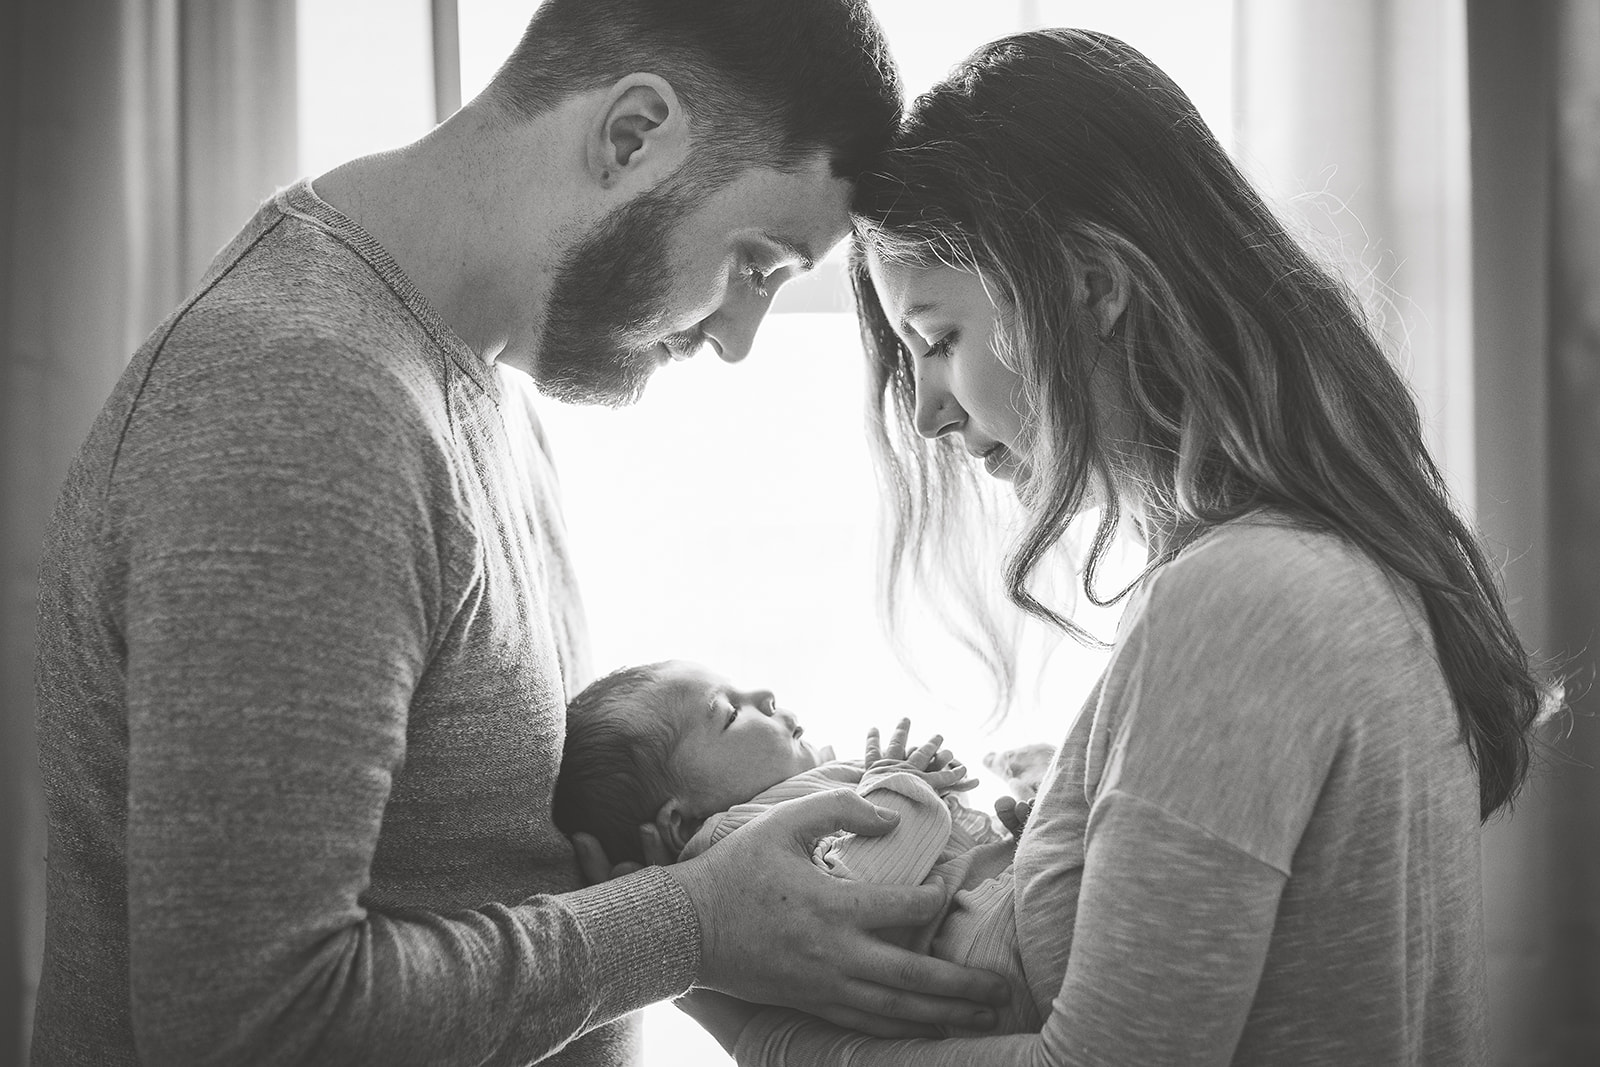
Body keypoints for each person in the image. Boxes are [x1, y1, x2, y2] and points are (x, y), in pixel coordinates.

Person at [29, 3, 1015, 1065]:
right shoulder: (300, 403)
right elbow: (252, 1022)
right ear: (633, 133)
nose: (738, 338)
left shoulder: (460, 380)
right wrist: (693, 922)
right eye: (757, 264)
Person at [680, 28, 1554, 1066]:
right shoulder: (1316, 571)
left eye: (937, 339)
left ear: (1093, 285)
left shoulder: (1245, 596)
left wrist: (737, 1008)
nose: (926, 415)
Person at [554, 660, 1046, 1035]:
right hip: (994, 960)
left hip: (993, 922)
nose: (765, 694)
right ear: (680, 823)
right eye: (728, 713)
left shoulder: (788, 803)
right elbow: (858, 892)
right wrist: (903, 788)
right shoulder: (732, 845)